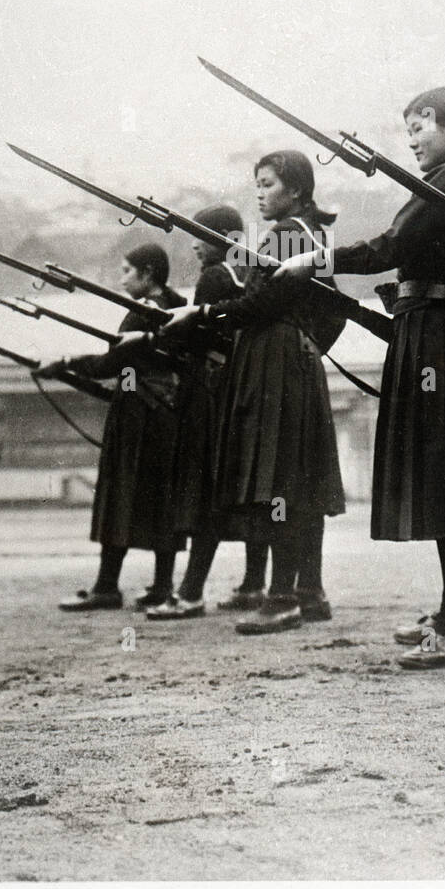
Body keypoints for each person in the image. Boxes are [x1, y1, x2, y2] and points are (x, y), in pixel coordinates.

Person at [276, 87, 445, 669]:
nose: (410, 139)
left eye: (420, 125)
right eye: (406, 128)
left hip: (442, 339)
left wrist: (316, 258)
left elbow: (392, 245)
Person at [163, 151, 345, 634]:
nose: (259, 193)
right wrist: (307, 347)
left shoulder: (289, 234)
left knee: (279, 478)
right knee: (299, 480)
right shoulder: (308, 235)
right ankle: (309, 592)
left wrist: (202, 315)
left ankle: (282, 596)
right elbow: (333, 314)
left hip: (277, 364)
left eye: (268, 184)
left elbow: (263, 302)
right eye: (257, 184)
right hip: (292, 363)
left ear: (297, 191)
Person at [40, 241, 187, 612]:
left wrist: (66, 363)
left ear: (147, 273)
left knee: (119, 497)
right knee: (161, 501)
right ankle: (161, 587)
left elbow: (112, 362)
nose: (121, 279)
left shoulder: (143, 314)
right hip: (166, 415)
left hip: (137, 416)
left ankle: (107, 587)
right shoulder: (178, 306)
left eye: (126, 271)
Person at [144, 204, 270, 619]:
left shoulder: (216, 276)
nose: (194, 244)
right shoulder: (247, 272)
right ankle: (254, 584)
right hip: (240, 390)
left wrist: (166, 335)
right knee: (247, 491)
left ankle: (191, 592)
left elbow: (200, 338)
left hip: (208, 395)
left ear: (221, 237)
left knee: (204, 496)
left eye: (200, 235)